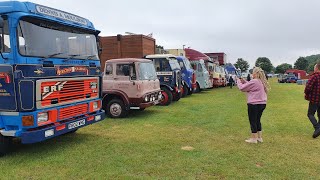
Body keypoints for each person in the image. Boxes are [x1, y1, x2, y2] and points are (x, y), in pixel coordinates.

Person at [236, 67, 270, 143]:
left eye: (253, 72)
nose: (252, 74)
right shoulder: (261, 81)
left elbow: (242, 88)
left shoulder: (254, 81)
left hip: (254, 104)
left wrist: (238, 81)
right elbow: (249, 85)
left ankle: (253, 138)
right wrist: (243, 80)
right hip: (262, 104)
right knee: (258, 120)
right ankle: (259, 138)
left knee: (253, 121)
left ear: (256, 73)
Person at [304, 62, 320, 138]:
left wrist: (306, 94)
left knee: (310, 114)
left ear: (317, 68)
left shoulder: (314, 76)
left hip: (314, 99)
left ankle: (317, 128)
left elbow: (308, 87)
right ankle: (317, 131)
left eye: (314, 68)